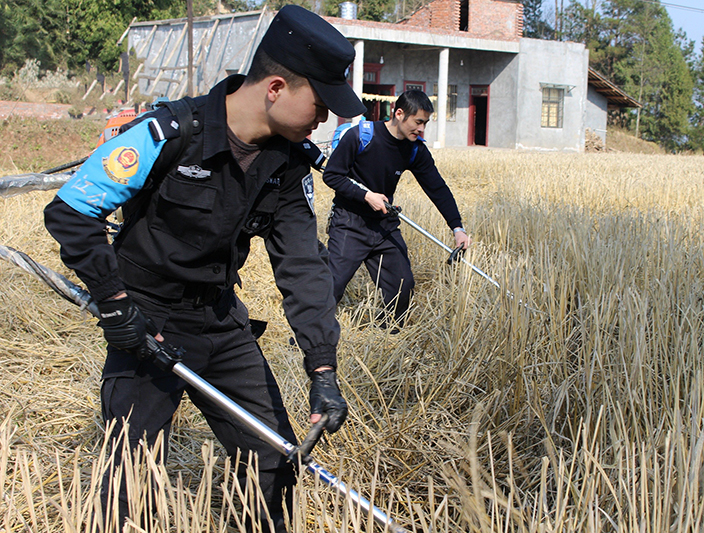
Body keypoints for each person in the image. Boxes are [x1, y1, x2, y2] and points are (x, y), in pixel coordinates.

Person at [43, 5, 366, 532]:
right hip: (146, 322)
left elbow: (303, 267)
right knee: (131, 481)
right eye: (321, 103)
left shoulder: (287, 165)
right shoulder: (172, 132)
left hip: (220, 322)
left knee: (275, 460)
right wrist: (115, 304)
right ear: (277, 88)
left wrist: (322, 368)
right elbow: (71, 212)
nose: (325, 119)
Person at [322, 90, 471, 328]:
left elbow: (438, 189)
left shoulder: (414, 149)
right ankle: (307, 340)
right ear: (399, 113)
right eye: (418, 122)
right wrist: (366, 195)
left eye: (425, 123)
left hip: (384, 225)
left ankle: (387, 333)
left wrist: (457, 228)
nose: (422, 129)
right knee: (331, 285)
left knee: (403, 285)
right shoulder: (360, 136)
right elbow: (332, 176)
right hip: (350, 222)